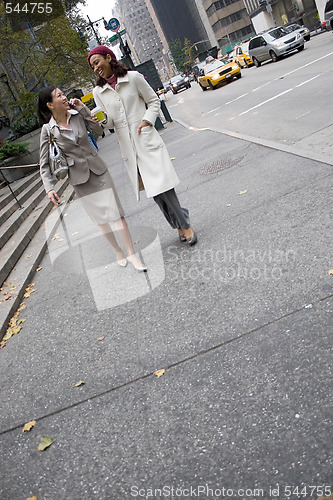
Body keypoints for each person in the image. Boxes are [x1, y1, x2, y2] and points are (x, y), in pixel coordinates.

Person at [87, 46, 197, 246]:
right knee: (155, 193)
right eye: (92, 67)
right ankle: (178, 224)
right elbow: (110, 123)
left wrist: (147, 120)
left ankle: (185, 224)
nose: (96, 69)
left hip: (146, 139)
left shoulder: (133, 77)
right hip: (129, 148)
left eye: (97, 63)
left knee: (164, 186)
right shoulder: (98, 92)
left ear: (108, 57)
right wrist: (101, 122)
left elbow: (153, 101)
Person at [37, 86, 147, 272]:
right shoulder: (48, 130)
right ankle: (117, 250)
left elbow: (97, 131)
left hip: (98, 170)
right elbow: (44, 163)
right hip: (79, 179)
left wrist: (84, 109)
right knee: (100, 220)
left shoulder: (77, 114)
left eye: (63, 94)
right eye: (59, 96)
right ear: (49, 104)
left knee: (117, 214)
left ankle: (131, 253)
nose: (64, 97)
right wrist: (49, 188)